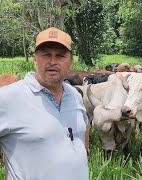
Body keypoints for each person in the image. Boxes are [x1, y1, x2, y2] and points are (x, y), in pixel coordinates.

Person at [0, 27, 89, 180]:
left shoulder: (74, 95)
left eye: (60, 56)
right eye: (46, 54)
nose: (53, 61)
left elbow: (82, 135)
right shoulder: (8, 97)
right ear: (35, 58)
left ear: (70, 61)